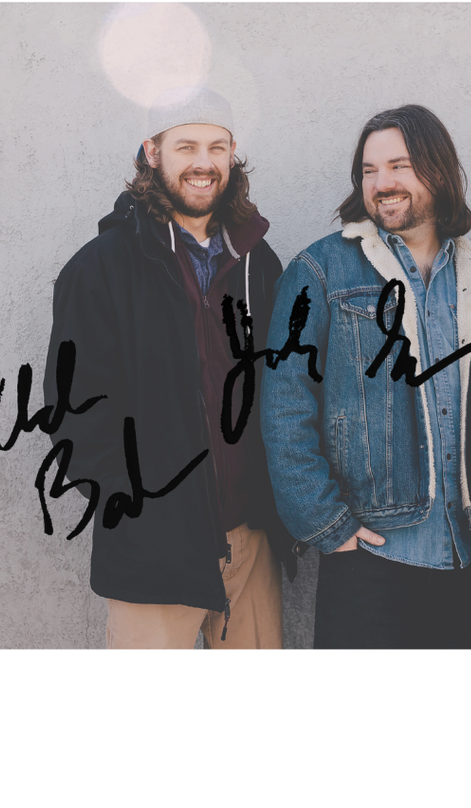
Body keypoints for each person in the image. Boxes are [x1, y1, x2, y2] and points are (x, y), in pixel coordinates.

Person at [43, 86, 293, 652]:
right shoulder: (100, 268)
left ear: (232, 156)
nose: (203, 163)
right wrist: (135, 510)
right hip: (151, 550)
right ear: (152, 153)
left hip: (248, 543)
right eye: (185, 146)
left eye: (216, 146)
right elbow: (73, 412)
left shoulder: (259, 262)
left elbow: (285, 391)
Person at [261, 104, 471, 651]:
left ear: (437, 171)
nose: (383, 183)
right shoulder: (322, 270)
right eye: (370, 171)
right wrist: (327, 523)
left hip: (463, 558)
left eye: (399, 166)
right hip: (370, 553)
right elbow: (284, 403)